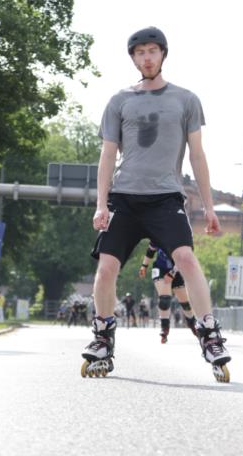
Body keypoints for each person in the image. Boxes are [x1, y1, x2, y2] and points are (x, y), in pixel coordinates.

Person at [82, 26, 230, 382]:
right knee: (105, 270)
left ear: (163, 54)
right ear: (133, 58)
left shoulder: (186, 100)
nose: (146, 57)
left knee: (186, 260)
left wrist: (209, 206)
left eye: (152, 51)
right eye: (140, 52)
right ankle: (103, 335)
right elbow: (106, 155)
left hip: (165, 199)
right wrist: (101, 204)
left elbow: (197, 155)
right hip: (125, 199)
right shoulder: (120, 101)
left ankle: (209, 333)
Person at [139, 242, 199, 344]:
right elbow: (151, 250)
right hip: (160, 268)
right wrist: (144, 266)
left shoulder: (183, 234)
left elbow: (184, 258)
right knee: (164, 299)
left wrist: (172, 273)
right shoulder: (158, 231)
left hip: (178, 268)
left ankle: (192, 323)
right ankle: (164, 327)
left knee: (186, 304)